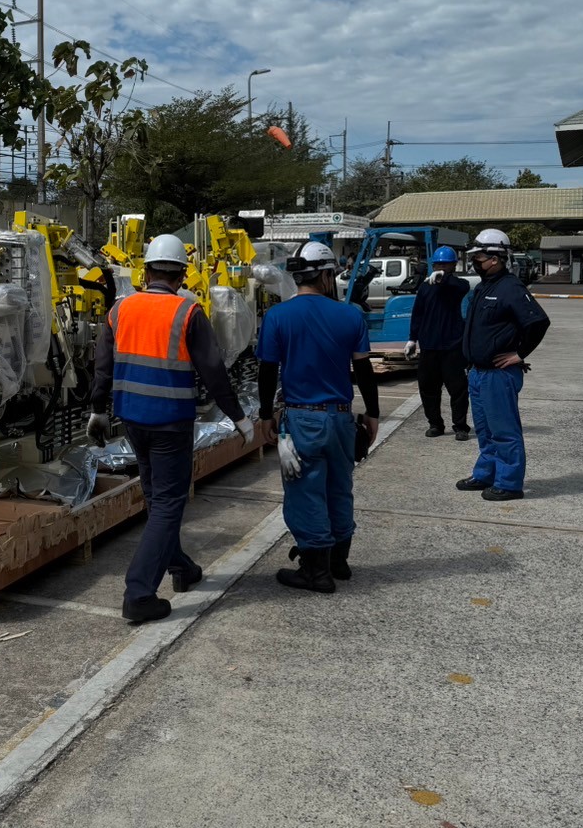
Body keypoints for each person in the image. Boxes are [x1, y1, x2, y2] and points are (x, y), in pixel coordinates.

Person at [87, 234, 253, 624]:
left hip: (132, 421)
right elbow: (213, 371)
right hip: (170, 424)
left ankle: (181, 567)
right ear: (181, 276)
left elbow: (103, 366)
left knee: (157, 499)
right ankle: (139, 594)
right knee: (166, 504)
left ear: (146, 273)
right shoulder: (188, 312)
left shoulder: (119, 309)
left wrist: (97, 410)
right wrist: (239, 417)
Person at [256, 241, 380, 593]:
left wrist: (265, 415)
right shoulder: (350, 315)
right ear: (326, 275)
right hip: (341, 419)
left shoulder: (278, 316)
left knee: (306, 493)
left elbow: (267, 371)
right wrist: (372, 413)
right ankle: (338, 561)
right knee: (340, 488)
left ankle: (316, 572)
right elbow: (364, 370)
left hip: (302, 420)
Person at [457, 228, 549, 502]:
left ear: (495, 259)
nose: (475, 262)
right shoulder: (484, 287)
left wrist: (519, 354)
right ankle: (486, 473)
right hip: (478, 373)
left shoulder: (510, 288)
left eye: (479, 258)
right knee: (485, 430)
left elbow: (538, 322)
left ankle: (509, 483)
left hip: (498, 374)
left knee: (504, 431)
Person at [406, 247, 471, 441]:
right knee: (428, 389)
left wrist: (445, 278)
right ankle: (435, 424)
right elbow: (417, 313)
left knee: (458, 389)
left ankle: (460, 426)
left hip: (452, 346)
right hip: (429, 346)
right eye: (437, 264)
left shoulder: (458, 285)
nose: (441, 267)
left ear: (453, 265)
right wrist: (412, 338)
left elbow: (462, 287)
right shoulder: (425, 287)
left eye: (445, 264)